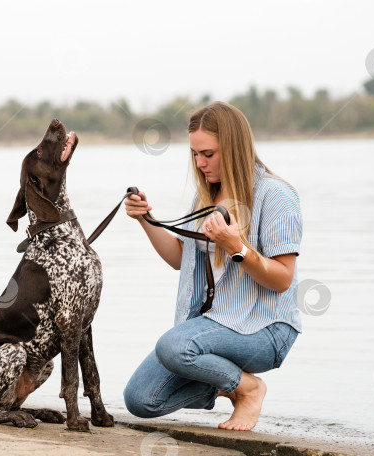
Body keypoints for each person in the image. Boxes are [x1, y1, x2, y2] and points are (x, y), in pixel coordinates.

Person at [122, 101, 303, 431]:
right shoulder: (206, 196)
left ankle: (248, 389)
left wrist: (237, 247)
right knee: (140, 399)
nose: (199, 163)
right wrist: (145, 219)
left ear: (233, 148)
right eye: (194, 154)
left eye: (208, 153)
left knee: (173, 345)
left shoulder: (276, 195)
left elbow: (282, 279)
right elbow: (180, 259)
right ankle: (226, 380)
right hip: (214, 325)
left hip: (267, 330)